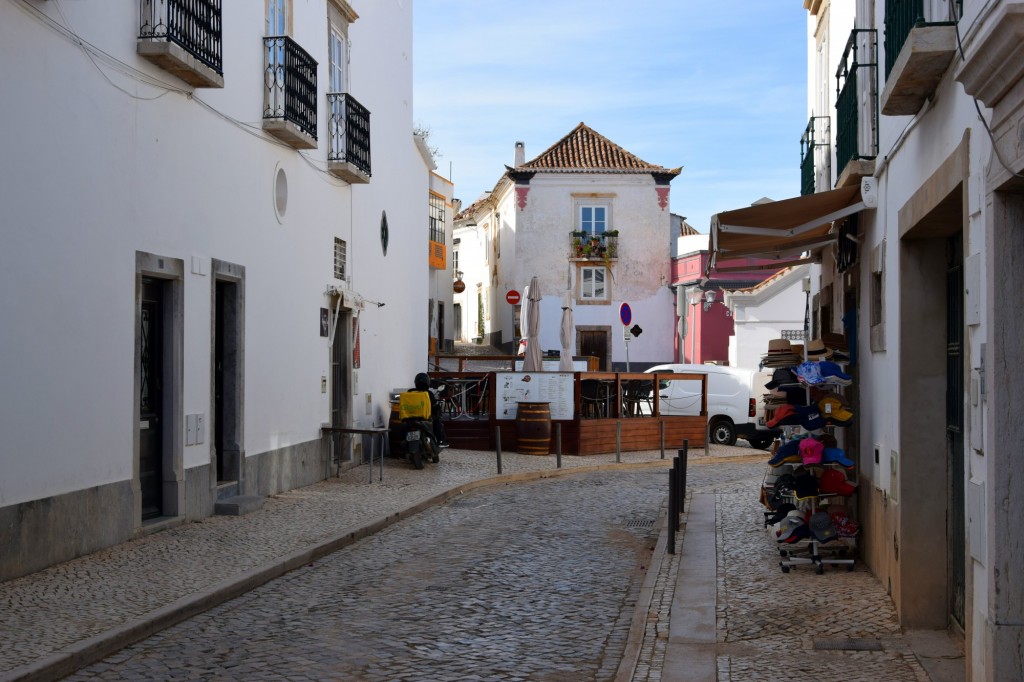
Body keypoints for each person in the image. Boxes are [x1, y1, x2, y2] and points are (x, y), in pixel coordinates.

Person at [413, 372, 449, 448]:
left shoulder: (411, 393)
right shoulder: (428, 393)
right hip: (426, 417)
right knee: (438, 423)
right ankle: (440, 441)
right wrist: (438, 413)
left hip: (412, 417)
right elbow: (435, 406)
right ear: (427, 383)